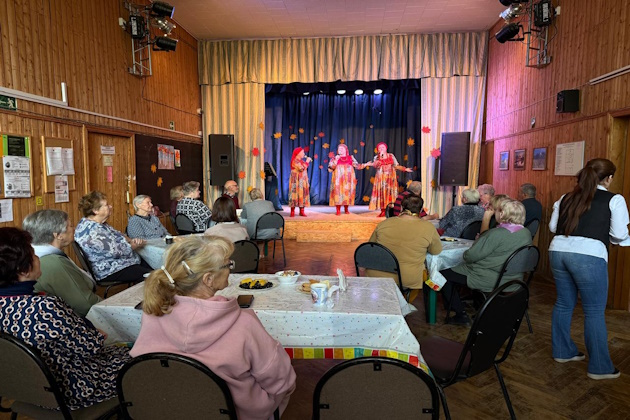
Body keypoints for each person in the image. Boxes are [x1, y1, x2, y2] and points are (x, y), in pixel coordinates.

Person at [130, 236, 296, 419]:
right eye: (227, 264)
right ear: (208, 279)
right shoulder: (244, 324)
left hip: (170, 409)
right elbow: (282, 381)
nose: (230, 268)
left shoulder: (152, 313)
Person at [0, 227, 130, 410]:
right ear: (23, 270)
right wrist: (96, 335)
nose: (38, 258)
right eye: (33, 255)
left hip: (28, 390)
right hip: (73, 389)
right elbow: (89, 347)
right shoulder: (44, 308)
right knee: (138, 358)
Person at [549, 158, 629, 380]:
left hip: (558, 251)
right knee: (593, 311)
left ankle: (562, 352)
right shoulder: (615, 199)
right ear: (609, 178)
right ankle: (600, 367)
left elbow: (553, 227)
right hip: (589, 255)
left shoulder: (565, 197)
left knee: (563, 303)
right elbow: (619, 235)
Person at [438, 199, 532, 326]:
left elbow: (470, 256)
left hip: (488, 278)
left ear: (502, 214)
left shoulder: (496, 234)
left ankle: (460, 314)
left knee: (442, 274)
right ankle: (479, 307)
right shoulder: (526, 233)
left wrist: (478, 242)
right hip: (514, 278)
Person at [22, 210, 100, 317]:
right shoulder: (52, 262)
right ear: (58, 235)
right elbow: (86, 304)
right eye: (70, 226)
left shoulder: (37, 254)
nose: (74, 229)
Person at [366, 195, 442, 302]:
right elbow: (436, 250)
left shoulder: (384, 223)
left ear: (401, 208)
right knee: (425, 273)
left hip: (376, 274)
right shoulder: (428, 227)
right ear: (421, 210)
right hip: (406, 277)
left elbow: (370, 248)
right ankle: (404, 303)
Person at [74, 191, 151, 283]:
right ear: (96, 210)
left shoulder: (93, 223)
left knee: (151, 262)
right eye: (106, 205)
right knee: (153, 275)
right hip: (111, 269)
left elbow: (118, 234)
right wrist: (135, 245)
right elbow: (119, 252)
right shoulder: (94, 231)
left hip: (119, 261)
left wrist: (131, 240)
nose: (110, 206)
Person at [364, 142, 412, 217]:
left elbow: (396, 165)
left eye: (383, 147)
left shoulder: (391, 156)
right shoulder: (376, 157)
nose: (381, 149)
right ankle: (383, 211)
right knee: (382, 193)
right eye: (379, 148)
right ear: (378, 150)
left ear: (386, 148)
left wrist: (405, 169)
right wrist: (380, 158)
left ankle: (391, 211)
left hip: (390, 178)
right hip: (381, 179)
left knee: (389, 193)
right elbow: (375, 166)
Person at [328, 144, 361, 215]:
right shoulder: (334, 158)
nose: (340, 150)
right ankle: (338, 210)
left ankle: (346, 209)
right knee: (338, 193)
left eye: (342, 148)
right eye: (339, 149)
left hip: (348, 179)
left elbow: (357, 166)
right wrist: (336, 160)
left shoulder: (351, 157)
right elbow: (330, 169)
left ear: (346, 150)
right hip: (338, 179)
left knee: (347, 192)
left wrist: (366, 164)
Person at [288, 147, 312, 217]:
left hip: (302, 180)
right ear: (298, 153)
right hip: (295, 181)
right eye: (302, 152)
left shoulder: (301, 161)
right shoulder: (294, 161)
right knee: (294, 194)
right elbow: (302, 168)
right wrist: (307, 162)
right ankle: (292, 211)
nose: (304, 154)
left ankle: (302, 211)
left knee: (302, 194)